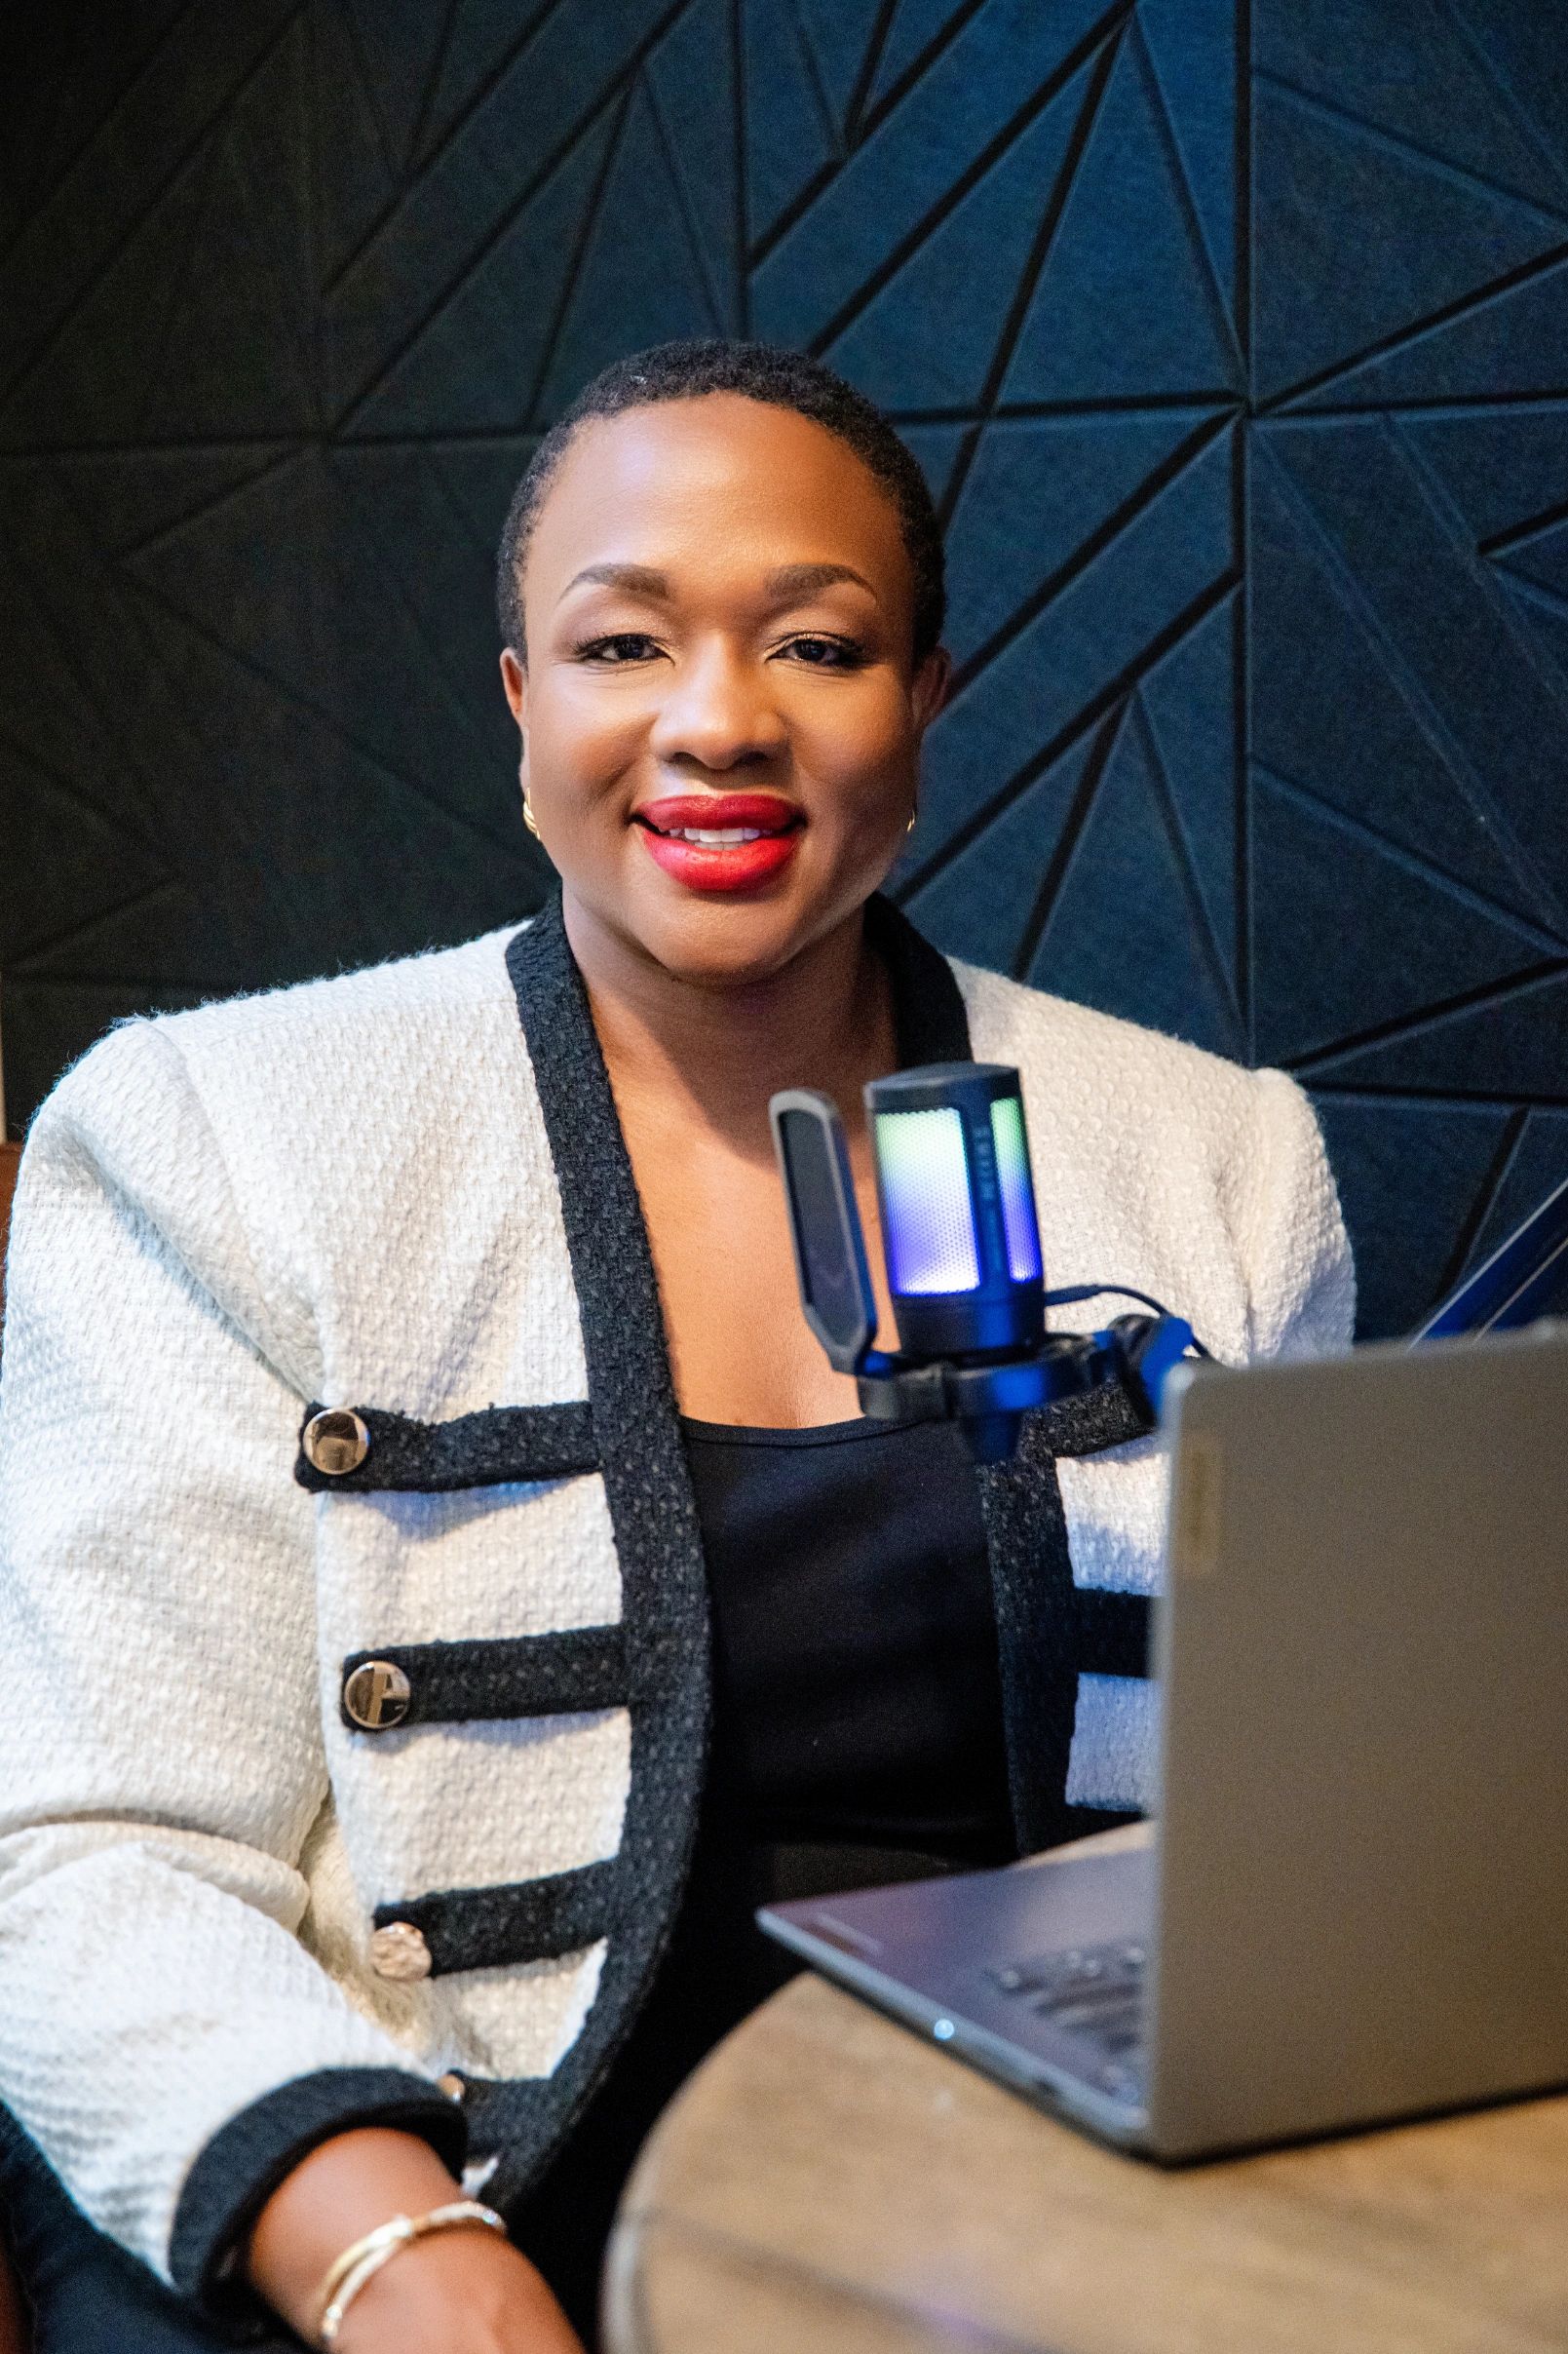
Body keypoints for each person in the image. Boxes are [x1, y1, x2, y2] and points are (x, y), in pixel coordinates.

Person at [0, 339, 1353, 2352]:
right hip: (403, 2195)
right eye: (623, 644)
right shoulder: (225, 1135)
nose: (718, 722)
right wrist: (402, 2260)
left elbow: (1309, 1813)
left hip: (1025, 2214)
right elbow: (76, 1854)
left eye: (817, 645)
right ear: (521, 705)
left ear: (926, 702)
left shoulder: (1211, 1158)